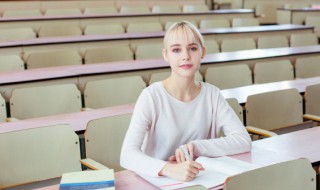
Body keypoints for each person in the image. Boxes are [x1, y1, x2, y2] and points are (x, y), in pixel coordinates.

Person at [120, 20, 252, 182]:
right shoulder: (151, 96)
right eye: (176, 50)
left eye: (193, 48)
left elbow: (243, 140)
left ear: (202, 52)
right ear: (165, 55)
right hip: (159, 181)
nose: (185, 56)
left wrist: (197, 147)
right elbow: (127, 155)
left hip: (200, 179)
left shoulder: (212, 94)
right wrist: (168, 169)